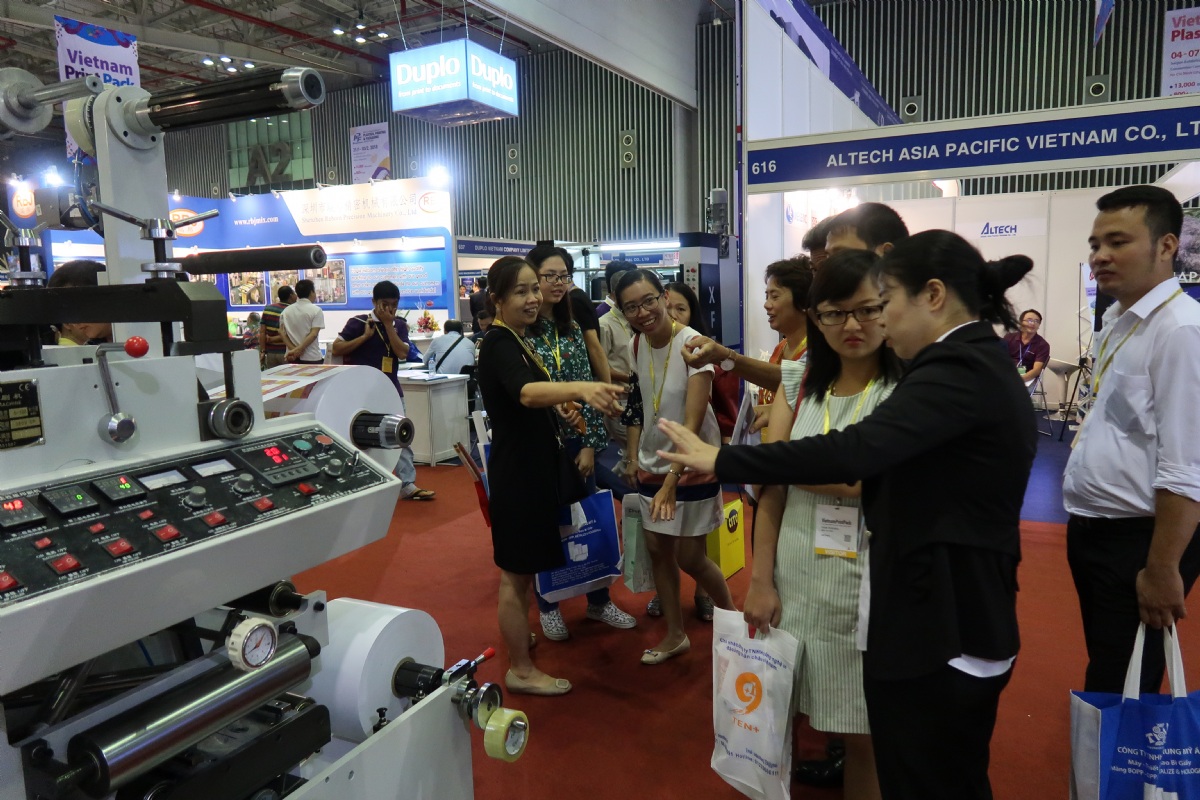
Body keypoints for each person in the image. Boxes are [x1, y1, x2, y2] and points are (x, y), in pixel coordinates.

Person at [657, 231, 1037, 800]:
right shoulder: (961, 360)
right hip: (929, 606)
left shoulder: (952, 367)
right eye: (837, 312)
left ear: (932, 295)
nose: (875, 321)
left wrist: (725, 459)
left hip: (945, 616)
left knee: (926, 771)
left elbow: (857, 453)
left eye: (883, 303)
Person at [749, 250, 903, 800]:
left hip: (866, 585)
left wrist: (787, 465)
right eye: (835, 313)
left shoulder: (907, 389)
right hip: (793, 574)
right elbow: (769, 486)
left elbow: (863, 480)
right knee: (778, 713)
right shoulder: (801, 381)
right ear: (816, 317)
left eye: (867, 309)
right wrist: (760, 579)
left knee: (864, 734)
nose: (852, 325)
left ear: (890, 308)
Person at [1064, 185, 1200, 696]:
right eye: (1095, 244)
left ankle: (1117, 753)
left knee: (1123, 683)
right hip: (1096, 530)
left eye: (1117, 242)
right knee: (1111, 667)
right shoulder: (1118, 322)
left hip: (1141, 540)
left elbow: (1187, 464)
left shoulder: (1181, 331)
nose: (1100, 256)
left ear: (1166, 246)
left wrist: (1163, 567)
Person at [476, 255, 625, 695]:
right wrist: (581, 388)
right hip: (518, 474)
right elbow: (524, 393)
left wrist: (562, 409)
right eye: (520, 291)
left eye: (533, 289)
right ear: (497, 299)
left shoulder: (517, 338)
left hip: (532, 470)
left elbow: (529, 398)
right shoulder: (500, 342)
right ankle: (520, 670)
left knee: (523, 574)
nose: (532, 298)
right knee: (516, 576)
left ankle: (521, 642)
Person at [617, 268, 735, 664]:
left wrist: (672, 479)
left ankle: (735, 624)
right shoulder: (636, 344)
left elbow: (692, 420)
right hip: (654, 463)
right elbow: (642, 406)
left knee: (690, 557)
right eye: (631, 307)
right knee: (657, 549)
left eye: (649, 300)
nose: (643, 312)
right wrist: (635, 456)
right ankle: (674, 634)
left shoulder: (693, 344)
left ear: (664, 297)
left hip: (692, 464)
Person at [527, 250, 635, 640]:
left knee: (590, 520)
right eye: (550, 276)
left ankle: (599, 600)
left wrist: (589, 442)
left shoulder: (571, 326)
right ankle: (548, 606)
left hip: (576, 442)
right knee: (546, 526)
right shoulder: (520, 333)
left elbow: (586, 385)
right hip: (538, 446)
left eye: (564, 276)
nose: (559, 283)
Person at [682, 257, 815, 440]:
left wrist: (724, 356)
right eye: (766, 296)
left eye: (775, 296)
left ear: (803, 301)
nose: (766, 304)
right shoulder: (781, 347)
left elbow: (791, 381)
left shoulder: (817, 351)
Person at [331, 280, 434, 502]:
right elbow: (336, 348)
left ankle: (407, 483)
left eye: (394, 305)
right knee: (358, 436)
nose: (390, 309)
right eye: (385, 304)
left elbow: (403, 353)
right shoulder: (358, 322)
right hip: (359, 392)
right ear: (374, 302)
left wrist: (388, 325)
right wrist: (364, 338)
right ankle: (360, 482)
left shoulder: (399, 325)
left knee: (401, 433)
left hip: (390, 388)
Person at [47, 260, 112, 345]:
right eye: (66, 312)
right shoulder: (93, 347)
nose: (73, 323)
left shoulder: (127, 335)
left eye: (78, 306)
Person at [281, 279, 325, 364]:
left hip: (292, 357)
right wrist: (299, 349)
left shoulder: (285, 311)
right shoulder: (316, 310)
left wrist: (294, 350)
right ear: (311, 292)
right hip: (312, 357)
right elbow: (313, 334)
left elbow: (282, 334)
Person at [1002, 309, 1050, 386]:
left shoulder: (1043, 345)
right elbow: (1000, 359)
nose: (1033, 324)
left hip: (1027, 378)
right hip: (1006, 374)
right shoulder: (1009, 338)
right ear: (1021, 322)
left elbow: (1037, 370)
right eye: (1029, 320)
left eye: (1037, 321)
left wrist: (1018, 380)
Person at [260, 285, 296, 369]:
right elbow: (289, 334)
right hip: (286, 352)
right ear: (291, 296)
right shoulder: (291, 310)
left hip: (270, 353)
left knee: (273, 375)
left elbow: (262, 332)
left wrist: (263, 351)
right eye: (294, 293)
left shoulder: (268, 309)